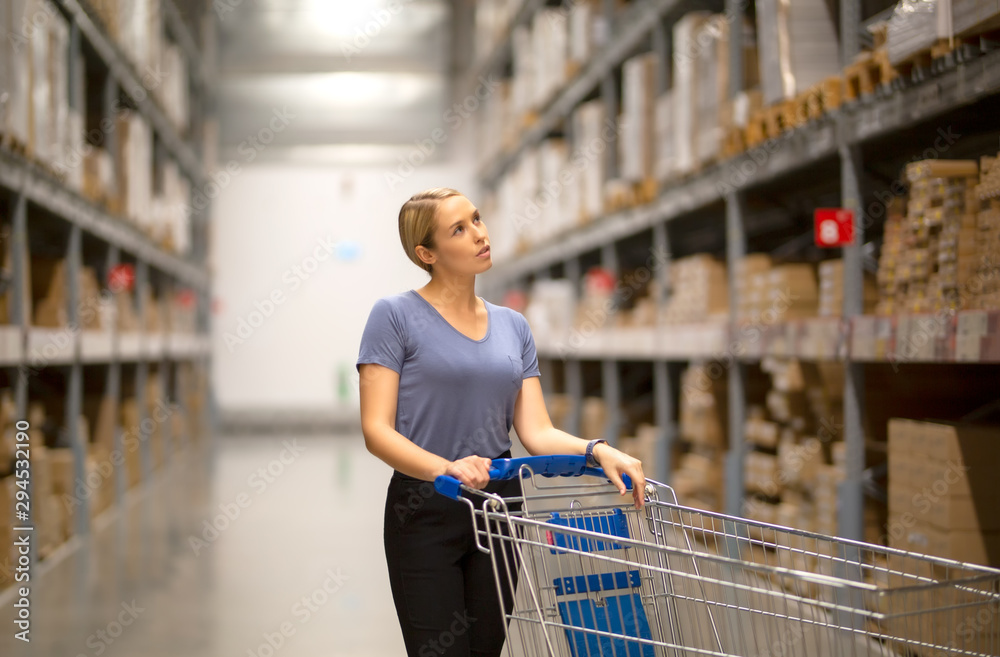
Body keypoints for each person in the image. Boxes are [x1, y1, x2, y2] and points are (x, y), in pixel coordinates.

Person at [356, 187, 646, 657]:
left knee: (487, 648)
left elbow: (536, 432)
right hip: (426, 505)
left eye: (476, 219)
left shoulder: (513, 325)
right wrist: (443, 468)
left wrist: (597, 449)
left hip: (499, 503)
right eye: (458, 229)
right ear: (426, 253)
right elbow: (376, 430)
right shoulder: (394, 317)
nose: (478, 234)